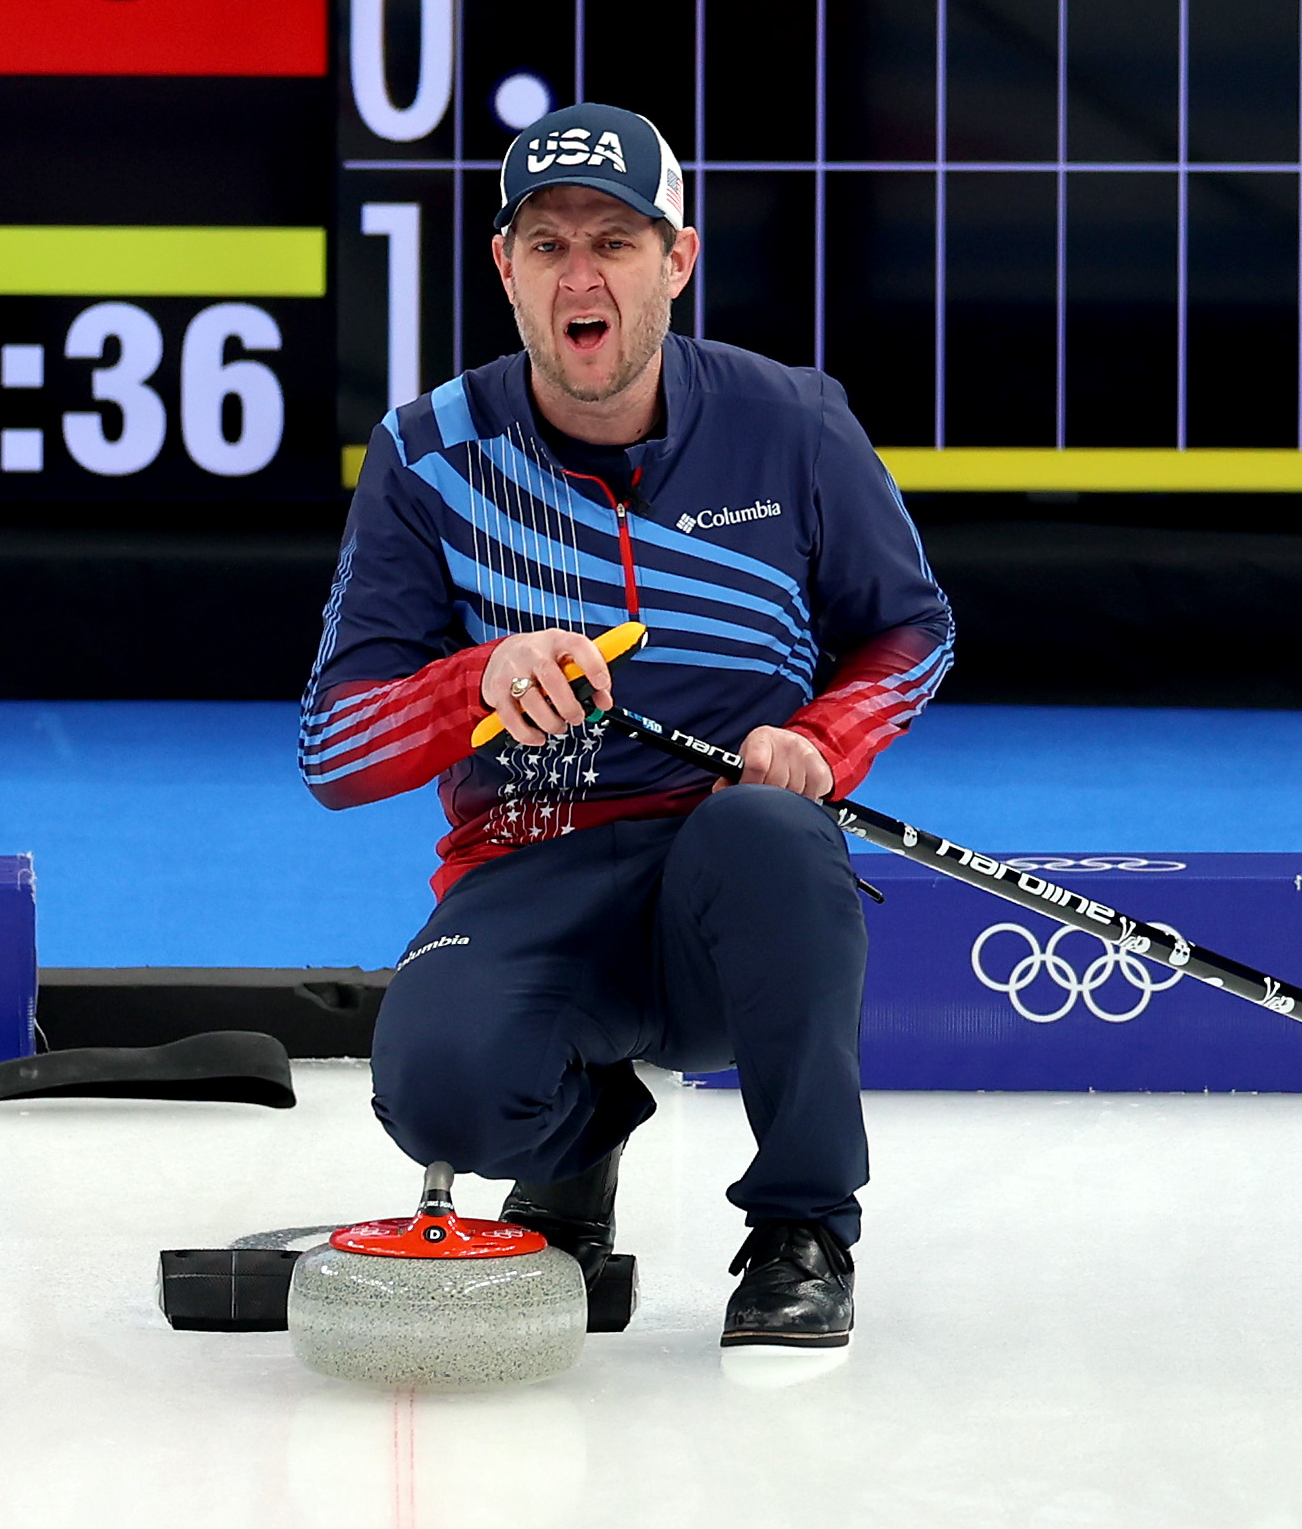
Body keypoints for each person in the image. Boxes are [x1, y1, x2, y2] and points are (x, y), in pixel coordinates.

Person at [298, 105, 955, 1350]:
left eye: (616, 239)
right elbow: (334, 753)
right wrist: (476, 682)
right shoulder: (426, 455)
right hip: (530, 868)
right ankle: (582, 1129)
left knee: (773, 834)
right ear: (505, 271)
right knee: (438, 1099)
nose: (581, 275)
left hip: (732, 878)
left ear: (679, 260)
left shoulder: (794, 423)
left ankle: (802, 1227)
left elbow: (913, 633)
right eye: (546, 245)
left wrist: (821, 740)